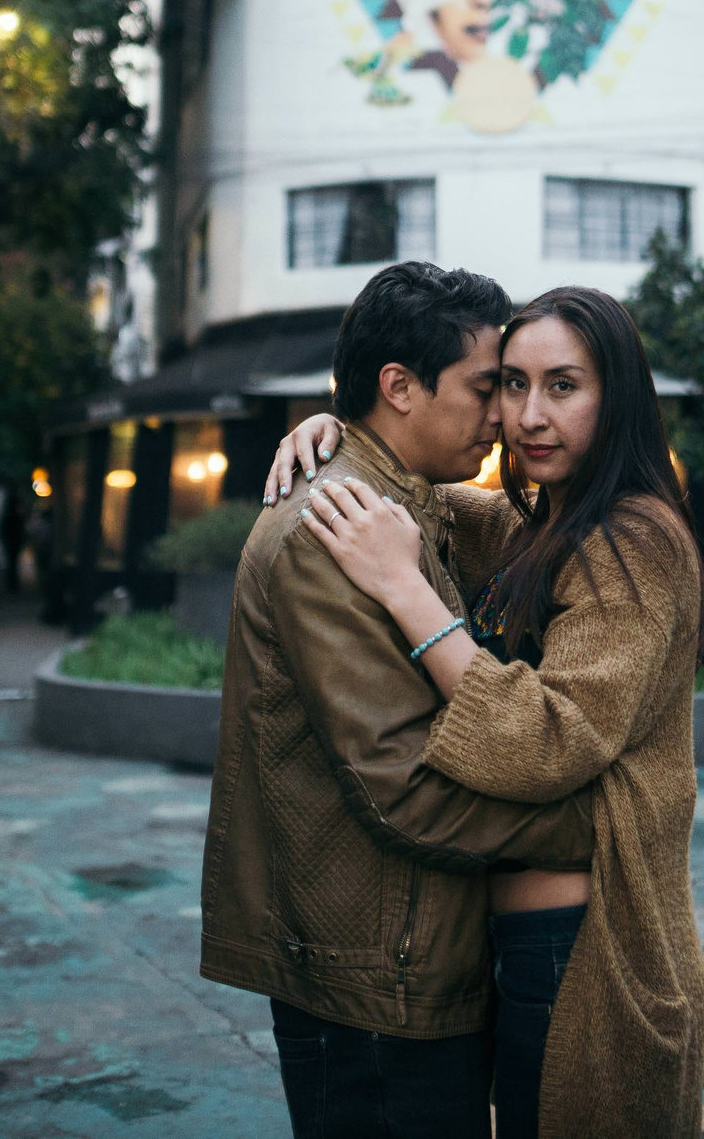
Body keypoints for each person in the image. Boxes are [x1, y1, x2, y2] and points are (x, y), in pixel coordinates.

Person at [269, 285, 704, 1139]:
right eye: (513, 384)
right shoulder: (542, 525)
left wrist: (406, 591)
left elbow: (549, 740)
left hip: (591, 950)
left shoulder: (635, 537)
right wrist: (339, 434)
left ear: (617, 397)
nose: (528, 415)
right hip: (533, 945)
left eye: (563, 386)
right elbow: (417, 492)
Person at [199, 262, 598, 1139]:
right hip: (374, 978)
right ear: (400, 386)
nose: (504, 415)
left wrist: (330, 423)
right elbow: (404, 786)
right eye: (487, 387)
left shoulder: (398, 502)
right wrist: (588, 825)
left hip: (403, 957)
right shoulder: (331, 528)